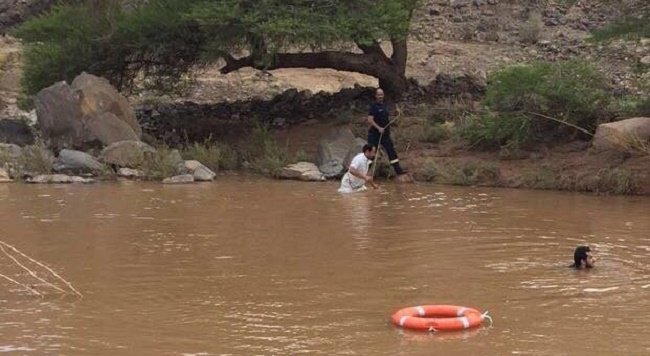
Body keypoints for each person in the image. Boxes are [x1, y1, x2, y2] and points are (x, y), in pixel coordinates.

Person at [366, 88, 407, 176]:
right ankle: (365, 172)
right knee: (371, 153)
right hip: (374, 135)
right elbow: (370, 120)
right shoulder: (374, 106)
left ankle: (398, 171)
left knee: (391, 151)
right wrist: (378, 128)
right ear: (376, 96)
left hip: (385, 135)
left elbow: (387, 117)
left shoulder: (385, 105)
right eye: (379, 95)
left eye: (382, 95)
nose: (381, 97)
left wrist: (396, 113)